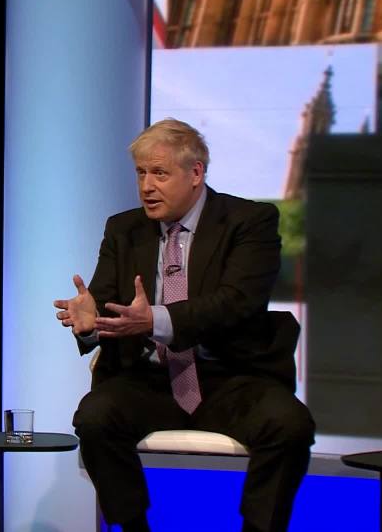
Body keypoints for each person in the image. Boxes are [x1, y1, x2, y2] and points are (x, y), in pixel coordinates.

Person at [53, 119, 315, 532]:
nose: (146, 186)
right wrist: (89, 323)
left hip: (231, 377)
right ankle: (133, 526)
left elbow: (237, 303)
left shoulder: (250, 221)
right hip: (150, 379)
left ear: (196, 174)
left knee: (291, 427)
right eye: (141, 173)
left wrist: (155, 319)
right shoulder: (123, 229)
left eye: (159, 173)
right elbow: (105, 306)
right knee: (95, 418)